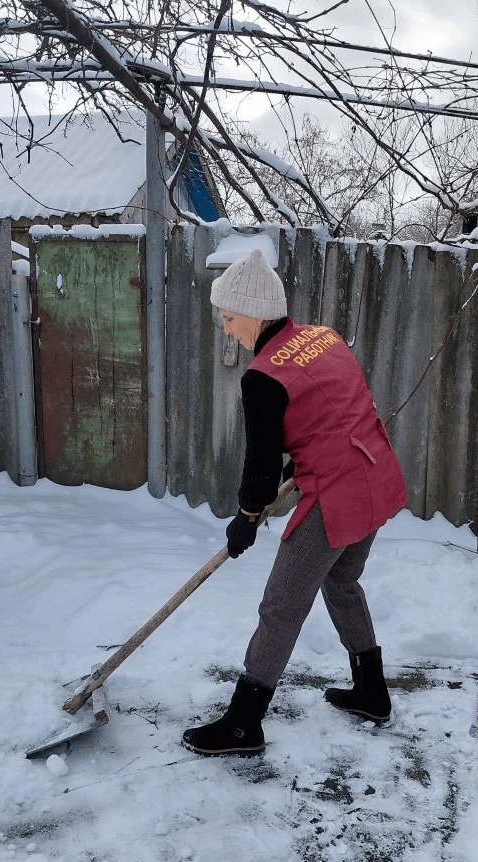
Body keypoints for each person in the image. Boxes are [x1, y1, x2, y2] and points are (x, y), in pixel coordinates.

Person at [182, 247, 407, 756]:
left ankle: (243, 724)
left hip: (337, 495)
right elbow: (331, 406)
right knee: (342, 579)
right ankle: (371, 691)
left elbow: (260, 465)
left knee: (281, 606)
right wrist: (298, 460)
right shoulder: (322, 338)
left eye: (228, 316)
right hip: (375, 474)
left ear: (252, 314)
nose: (224, 327)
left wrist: (246, 517)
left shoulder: (262, 376)